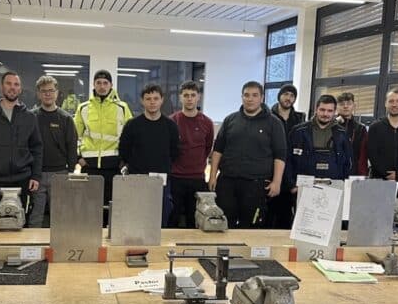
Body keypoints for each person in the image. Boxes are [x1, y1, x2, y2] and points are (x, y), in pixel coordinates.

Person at [208, 81, 286, 229]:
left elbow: (280, 155)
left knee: (251, 226)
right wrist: (212, 176)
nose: (250, 99)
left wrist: (277, 182)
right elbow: (218, 150)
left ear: (262, 98)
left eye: (255, 95)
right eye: (246, 95)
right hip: (227, 182)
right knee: (222, 225)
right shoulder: (230, 120)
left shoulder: (274, 123)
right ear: (242, 97)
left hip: (256, 185)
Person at [0, 71, 43, 226]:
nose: (12, 87)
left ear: (20, 89)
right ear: (2, 86)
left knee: (19, 224)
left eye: (16, 84)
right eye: (9, 83)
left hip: (22, 180)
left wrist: (35, 176)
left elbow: (37, 148)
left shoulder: (29, 117)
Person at [74, 70, 132, 222]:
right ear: (93, 85)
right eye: (98, 83)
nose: (102, 86)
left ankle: (110, 236)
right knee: (89, 209)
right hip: (89, 166)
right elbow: (74, 136)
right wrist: (78, 158)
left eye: (105, 83)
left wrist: (124, 161)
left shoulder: (122, 107)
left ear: (111, 85)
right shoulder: (83, 108)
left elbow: (130, 137)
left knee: (112, 209)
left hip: (113, 167)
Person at [119, 84, 179, 227]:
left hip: (161, 180)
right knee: (136, 220)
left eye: (156, 98)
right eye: (148, 99)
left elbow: (174, 152)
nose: (152, 102)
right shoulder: (132, 125)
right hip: (137, 179)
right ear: (142, 101)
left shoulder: (170, 126)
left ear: (162, 100)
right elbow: (124, 151)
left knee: (160, 220)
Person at [29, 76, 78, 228]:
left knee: (60, 216)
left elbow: (72, 146)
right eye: (44, 91)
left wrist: (70, 171)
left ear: (57, 93)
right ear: (38, 94)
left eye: (51, 90)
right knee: (36, 215)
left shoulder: (66, 118)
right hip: (36, 175)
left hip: (60, 174)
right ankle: (33, 243)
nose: (47, 94)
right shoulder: (31, 117)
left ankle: (59, 243)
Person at [168, 81, 214, 228]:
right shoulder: (172, 121)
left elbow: (207, 148)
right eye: (186, 95)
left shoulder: (207, 122)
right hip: (175, 178)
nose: (189, 99)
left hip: (197, 179)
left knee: (194, 220)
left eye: (193, 95)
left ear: (198, 97)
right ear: (180, 97)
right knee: (172, 217)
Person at [287, 94, 352, 185]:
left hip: (334, 187)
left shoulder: (342, 134)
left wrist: (344, 185)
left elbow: (348, 163)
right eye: (322, 110)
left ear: (334, 112)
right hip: (303, 187)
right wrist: (291, 185)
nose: (325, 114)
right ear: (316, 109)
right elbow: (288, 160)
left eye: (329, 111)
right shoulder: (298, 131)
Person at [367, 88, 398, 192]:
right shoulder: (375, 127)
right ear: (385, 103)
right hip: (379, 181)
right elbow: (372, 155)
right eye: (391, 101)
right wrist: (387, 174)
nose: (394, 104)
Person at [268, 84, 304, 228]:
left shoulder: (299, 120)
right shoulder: (268, 117)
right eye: (285, 94)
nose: (288, 98)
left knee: (286, 219)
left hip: (291, 176)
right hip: (270, 172)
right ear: (279, 96)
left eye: (292, 95)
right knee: (268, 216)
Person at [336, 92, 368, 176]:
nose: (345, 106)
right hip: (333, 171)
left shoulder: (360, 128)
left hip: (353, 173)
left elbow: (363, 156)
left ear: (354, 106)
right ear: (336, 107)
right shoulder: (331, 126)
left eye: (349, 104)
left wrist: (362, 175)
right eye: (342, 104)